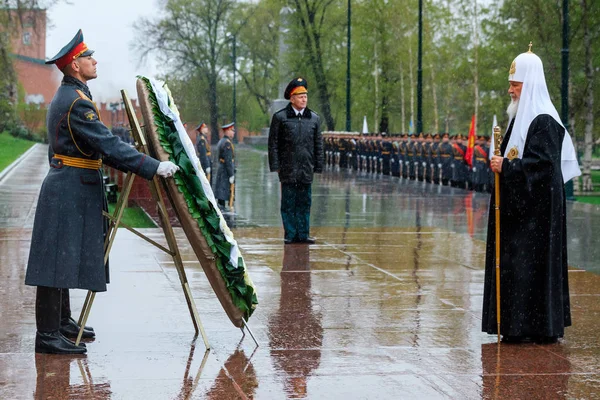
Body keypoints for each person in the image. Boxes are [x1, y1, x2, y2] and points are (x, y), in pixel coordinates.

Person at [24, 30, 179, 354]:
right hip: (68, 188)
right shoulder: (77, 103)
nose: (94, 60)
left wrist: (140, 162)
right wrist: (152, 166)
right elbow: (107, 143)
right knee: (54, 262)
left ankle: (62, 323)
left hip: (70, 185)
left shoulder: (73, 96)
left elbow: (101, 148)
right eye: (88, 57)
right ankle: (48, 335)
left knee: (62, 259)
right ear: (75, 66)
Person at [482, 46, 580, 343]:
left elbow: (542, 166)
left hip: (536, 215)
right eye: (510, 84)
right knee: (518, 267)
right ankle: (516, 324)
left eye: (515, 84)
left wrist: (508, 167)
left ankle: (534, 326)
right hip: (520, 211)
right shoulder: (519, 118)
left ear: (530, 85)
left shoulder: (544, 119)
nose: (510, 90)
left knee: (529, 267)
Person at [268, 77, 323, 244]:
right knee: (289, 203)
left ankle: (303, 234)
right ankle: (290, 234)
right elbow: (273, 144)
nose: (304, 99)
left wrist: (319, 164)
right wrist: (276, 165)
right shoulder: (280, 118)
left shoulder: (314, 118)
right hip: (288, 168)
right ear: (292, 98)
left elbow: (318, 144)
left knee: (304, 203)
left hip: (306, 168)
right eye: (300, 96)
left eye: (305, 96)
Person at [214, 122, 236, 210]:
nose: (233, 132)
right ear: (227, 131)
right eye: (232, 130)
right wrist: (231, 174)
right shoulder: (227, 143)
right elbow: (228, 160)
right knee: (224, 191)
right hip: (225, 171)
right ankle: (222, 209)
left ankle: (221, 207)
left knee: (221, 191)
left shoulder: (222, 141)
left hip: (222, 169)